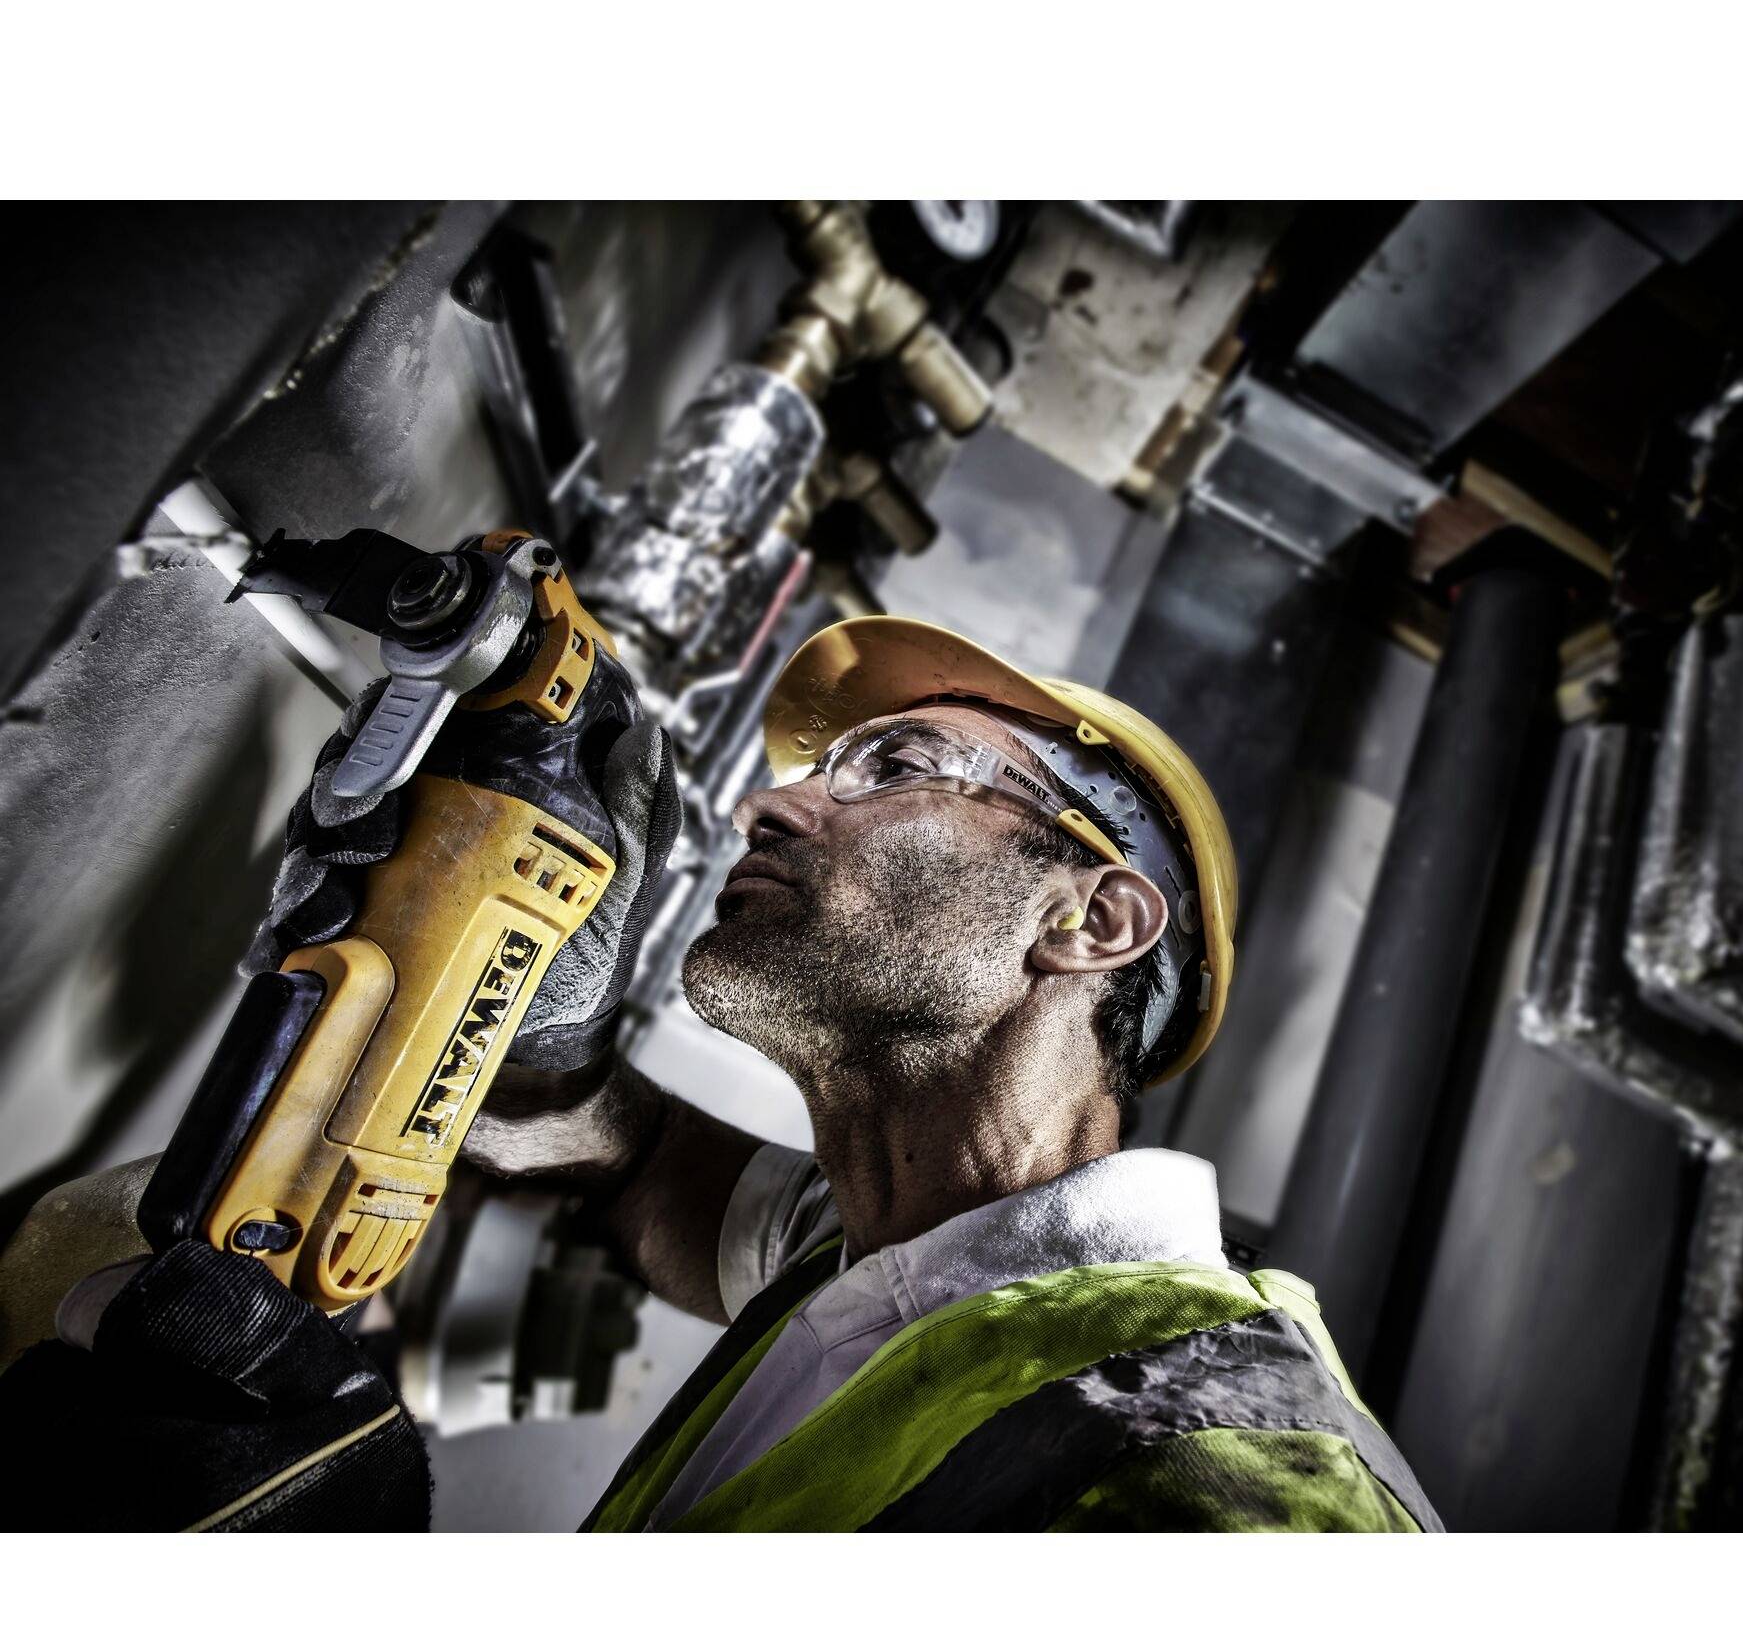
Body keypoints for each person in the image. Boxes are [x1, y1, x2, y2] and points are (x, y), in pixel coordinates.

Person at [0, 616, 1441, 1533]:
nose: (776, 796)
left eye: (897, 765)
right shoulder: (881, 1244)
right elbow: (629, 1164)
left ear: (1089, 921)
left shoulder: (1238, 1484)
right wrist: (519, 992)